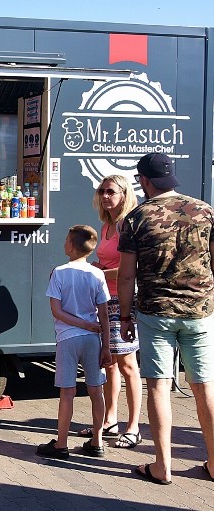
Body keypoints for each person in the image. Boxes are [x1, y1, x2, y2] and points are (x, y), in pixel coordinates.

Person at [117, 152, 214, 485]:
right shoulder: (204, 210)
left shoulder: (136, 218)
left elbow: (126, 276)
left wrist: (125, 316)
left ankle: (162, 467)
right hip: (200, 311)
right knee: (203, 387)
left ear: (144, 181)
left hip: (155, 312)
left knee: (158, 387)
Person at [76, 175, 143, 449]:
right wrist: (92, 266)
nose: (105, 196)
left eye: (111, 192)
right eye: (101, 191)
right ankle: (109, 420)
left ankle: (134, 427)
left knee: (128, 365)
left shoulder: (130, 225)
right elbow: (105, 262)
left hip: (125, 301)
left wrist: (100, 272)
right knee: (110, 363)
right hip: (105, 299)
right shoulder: (105, 227)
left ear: (124, 194)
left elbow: (133, 269)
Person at [37, 225, 112, 460]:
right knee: (96, 390)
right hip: (93, 340)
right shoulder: (97, 274)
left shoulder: (58, 272)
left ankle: (61, 444)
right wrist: (106, 344)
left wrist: (81, 324)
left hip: (68, 338)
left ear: (70, 246)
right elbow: (104, 314)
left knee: (67, 392)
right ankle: (97, 441)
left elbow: (57, 312)